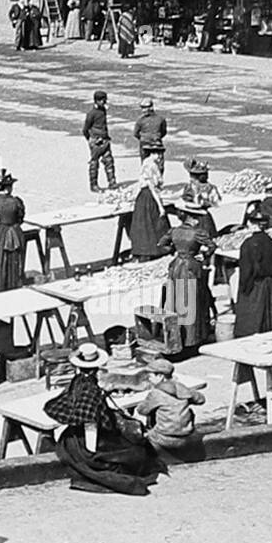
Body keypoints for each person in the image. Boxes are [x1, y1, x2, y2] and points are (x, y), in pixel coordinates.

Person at [46, 341, 162, 496]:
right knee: (134, 452)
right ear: (96, 369)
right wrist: (91, 452)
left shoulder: (77, 381)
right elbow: (90, 423)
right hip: (86, 441)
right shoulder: (91, 390)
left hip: (72, 436)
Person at [158, 208, 216, 353]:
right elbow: (212, 246)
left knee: (176, 301)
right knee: (192, 302)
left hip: (176, 267)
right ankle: (193, 338)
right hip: (191, 268)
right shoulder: (198, 233)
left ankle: (178, 336)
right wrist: (203, 255)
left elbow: (161, 244)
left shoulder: (174, 231)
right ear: (194, 218)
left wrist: (174, 250)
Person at [233, 208, 272, 339]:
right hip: (270, 284)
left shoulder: (248, 244)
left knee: (253, 314)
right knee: (269, 314)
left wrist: (244, 287)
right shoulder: (269, 241)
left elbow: (246, 270)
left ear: (252, 224)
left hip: (255, 284)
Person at [137, 358, 206, 454]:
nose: (149, 378)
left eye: (150, 376)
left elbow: (141, 410)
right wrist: (189, 395)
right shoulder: (181, 388)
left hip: (165, 438)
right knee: (187, 411)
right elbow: (201, 400)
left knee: (142, 435)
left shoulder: (156, 393)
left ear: (160, 376)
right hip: (187, 435)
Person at [130, 156, 171, 262]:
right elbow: (154, 191)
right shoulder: (150, 175)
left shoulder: (143, 174)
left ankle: (141, 251)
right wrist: (161, 207)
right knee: (156, 224)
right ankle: (155, 250)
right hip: (150, 200)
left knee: (142, 226)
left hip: (141, 200)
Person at [82, 89, 118, 193]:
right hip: (96, 141)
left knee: (109, 161)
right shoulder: (91, 114)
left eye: (104, 100)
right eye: (102, 100)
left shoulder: (103, 111)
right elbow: (85, 129)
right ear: (96, 101)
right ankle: (94, 185)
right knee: (94, 163)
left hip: (105, 140)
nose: (104, 102)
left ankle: (112, 182)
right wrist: (91, 139)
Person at [133, 97, 167, 171]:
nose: (143, 110)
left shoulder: (140, 120)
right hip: (156, 143)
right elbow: (164, 132)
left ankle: (148, 179)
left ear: (151, 107)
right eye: (142, 108)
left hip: (146, 143)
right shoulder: (161, 119)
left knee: (145, 164)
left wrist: (143, 138)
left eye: (145, 108)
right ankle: (158, 179)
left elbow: (135, 133)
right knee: (159, 165)